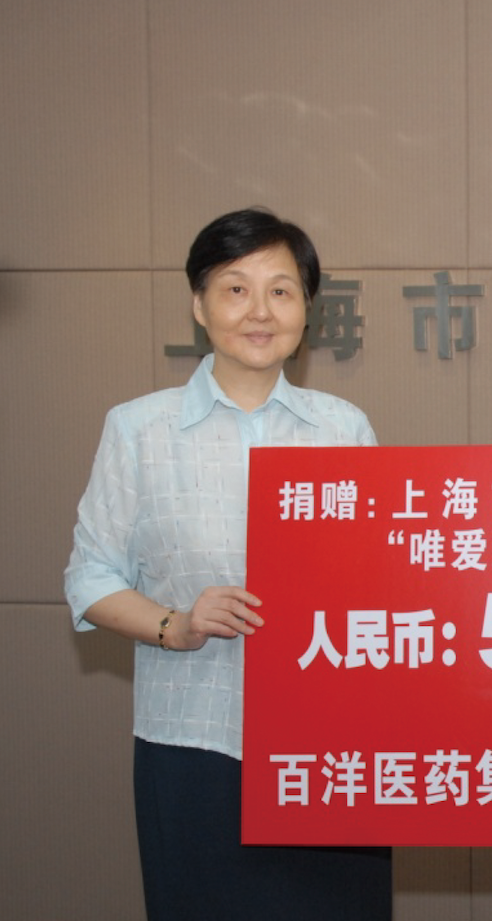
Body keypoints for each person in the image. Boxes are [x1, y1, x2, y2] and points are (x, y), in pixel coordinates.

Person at [65, 208, 390, 921]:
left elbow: (378, 580)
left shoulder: (344, 428)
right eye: (236, 289)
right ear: (199, 304)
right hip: (194, 743)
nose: (259, 311)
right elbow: (89, 577)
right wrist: (175, 625)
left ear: (307, 308)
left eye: (281, 290)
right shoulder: (139, 428)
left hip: (328, 748)